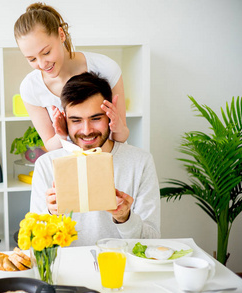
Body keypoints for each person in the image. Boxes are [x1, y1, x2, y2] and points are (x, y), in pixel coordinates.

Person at [30, 72, 160, 246]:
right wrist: (50, 214)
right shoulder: (46, 165)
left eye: (96, 118)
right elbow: (34, 245)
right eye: (76, 120)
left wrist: (125, 218)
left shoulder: (140, 162)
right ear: (64, 120)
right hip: (68, 268)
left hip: (123, 267)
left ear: (110, 116)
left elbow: (152, 241)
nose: (86, 130)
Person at [14, 2, 129, 151]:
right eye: (32, 59)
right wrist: (61, 134)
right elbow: (50, 145)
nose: (42, 64)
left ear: (61, 35)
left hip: (109, 159)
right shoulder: (31, 87)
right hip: (68, 165)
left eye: (46, 52)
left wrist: (117, 127)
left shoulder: (105, 68)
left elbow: (122, 136)